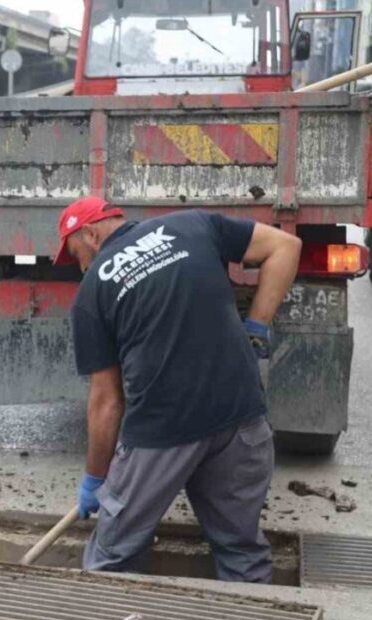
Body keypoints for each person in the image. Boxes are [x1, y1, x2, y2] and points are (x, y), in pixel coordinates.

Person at [54, 197, 301, 583]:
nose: (82, 267)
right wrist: (256, 326)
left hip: (162, 432)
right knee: (241, 551)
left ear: (91, 232)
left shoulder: (93, 291)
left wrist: (95, 478)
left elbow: (106, 402)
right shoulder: (193, 224)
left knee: (111, 555)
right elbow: (287, 246)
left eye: (77, 255)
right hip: (241, 419)